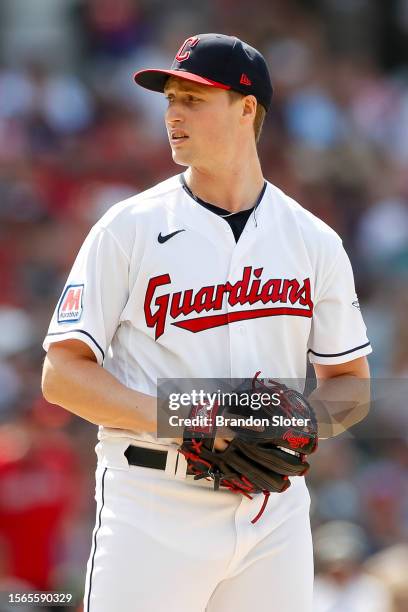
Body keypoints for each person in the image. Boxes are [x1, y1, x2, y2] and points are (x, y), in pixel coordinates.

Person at [41, 33, 372, 612]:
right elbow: (62, 375)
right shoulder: (129, 227)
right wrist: (189, 420)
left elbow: (351, 385)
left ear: (247, 109)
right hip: (152, 499)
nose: (172, 113)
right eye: (169, 98)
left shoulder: (313, 241)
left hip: (274, 509)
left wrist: (297, 425)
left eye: (194, 99)